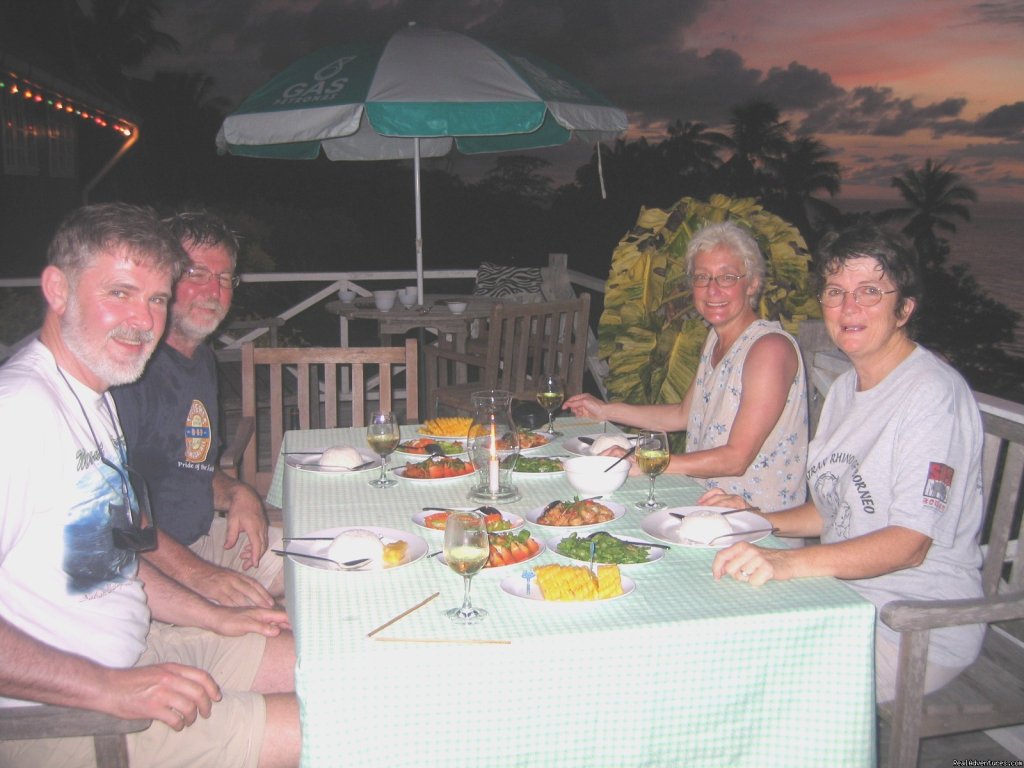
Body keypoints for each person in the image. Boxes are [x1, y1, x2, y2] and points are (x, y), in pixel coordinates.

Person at [0, 203, 300, 767]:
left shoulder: (92, 397)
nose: (143, 320)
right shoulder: (17, 412)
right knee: (337, 727)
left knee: (327, 667)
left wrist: (210, 613)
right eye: (119, 293)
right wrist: (105, 689)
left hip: (141, 645)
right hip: (73, 712)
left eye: (156, 298)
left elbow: (113, 555)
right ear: (57, 290)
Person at [706, 220, 985, 703]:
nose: (848, 307)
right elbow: (834, 506)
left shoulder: (932, 396)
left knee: (742, 681)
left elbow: (909, 546)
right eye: (835, 292)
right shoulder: (843, 390)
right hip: (842, 597)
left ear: (905, 309)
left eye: (870, 291)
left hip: (914, 623)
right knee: (710, 617)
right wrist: (753, 520)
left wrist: (786, 565)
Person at [565, 221, 808, 512]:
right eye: (702, 277)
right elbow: (683, 415)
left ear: (752, 283)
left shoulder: (769, 349)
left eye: (727, 277)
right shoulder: (716, 341)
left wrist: (644, 461)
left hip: (754, 524)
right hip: (705, 504)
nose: (712, 290)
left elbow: (736, 458)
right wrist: (605, 410)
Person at [112, 210, 283, 608]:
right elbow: (111, 513)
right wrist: (201, 576)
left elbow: (193, 467)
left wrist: (238, 493)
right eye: (196, 273)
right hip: (146, 571)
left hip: (205, 541)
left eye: (225, 279)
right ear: (162, 277)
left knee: (333, 564)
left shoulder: (201, 358)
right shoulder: (130, 371)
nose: (213, 291)